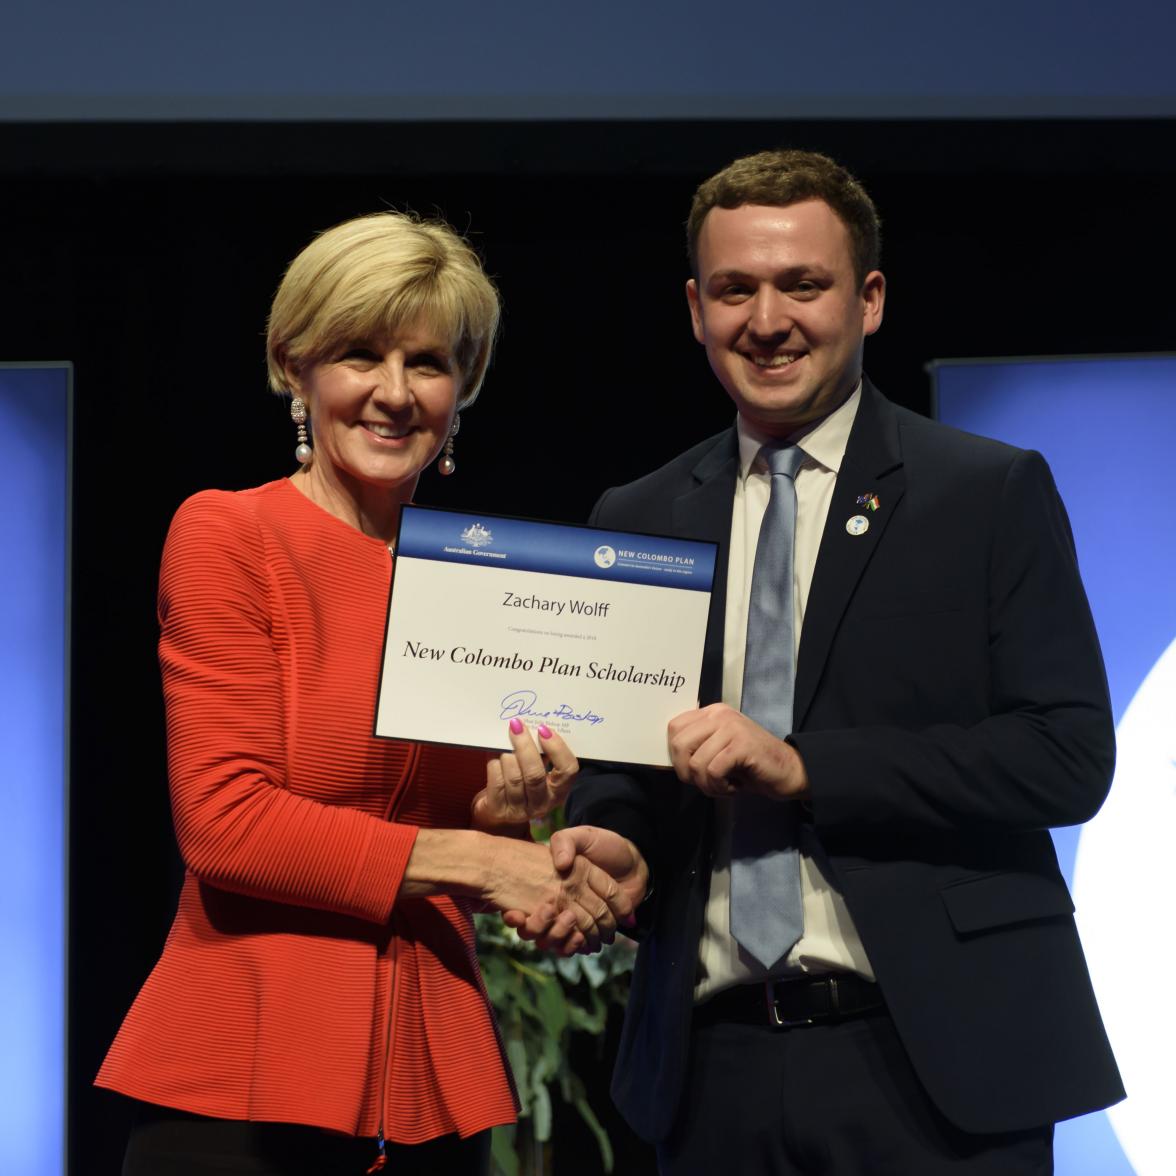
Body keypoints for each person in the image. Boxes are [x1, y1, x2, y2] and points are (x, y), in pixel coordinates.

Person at [558, 149, 1125, 1174]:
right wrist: (608, 836)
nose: (766, 320)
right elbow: (628, 766)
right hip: (709, 1073)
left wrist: (808, 765)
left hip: (941, 1069)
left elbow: (1067, 755)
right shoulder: (637, 519)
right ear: (695, 307)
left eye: (801, 284)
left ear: (868, 300)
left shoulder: (985, 494)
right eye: (735, 288)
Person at [95, 210, 633, 1176]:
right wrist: (484, 859)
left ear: (461, 390)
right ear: (293, 367)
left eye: (427, 363)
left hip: (428, 1074)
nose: (394, 393)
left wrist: (509, 819)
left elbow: (458, 838)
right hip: (247, 1077)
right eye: (358, 354)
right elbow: (225, 823)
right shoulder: (229, 534)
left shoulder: (479, 586)